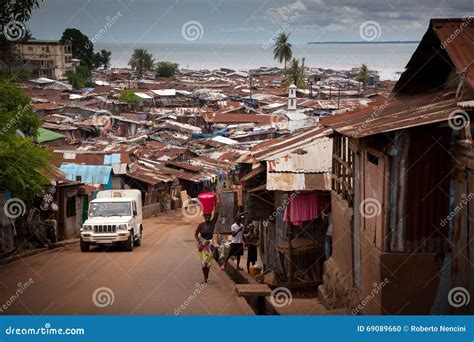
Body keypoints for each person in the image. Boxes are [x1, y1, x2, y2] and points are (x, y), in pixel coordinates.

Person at [194, 205, 219, 283]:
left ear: (210, 216)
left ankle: (207, 277)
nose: (207, 217)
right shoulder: (201, 225)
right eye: (206, 216)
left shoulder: (212, 223)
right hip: (202, 246)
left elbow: (217, 213)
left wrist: (216, 203)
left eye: (209, 215)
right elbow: (196, 235)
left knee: (208, 263)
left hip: (210, 246)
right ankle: (205, 278)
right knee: (203, 263)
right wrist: (200, 243)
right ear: (204, 217)